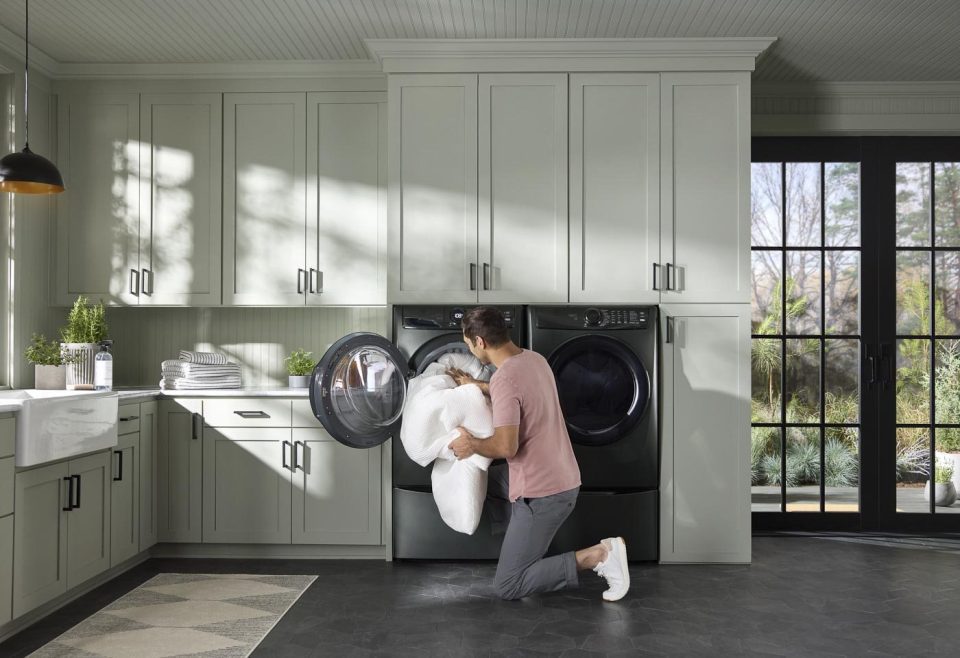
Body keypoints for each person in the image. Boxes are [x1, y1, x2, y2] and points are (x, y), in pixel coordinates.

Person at [446, 306, 630, 602]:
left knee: (508, 585)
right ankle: (524, 542)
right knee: (486, 481)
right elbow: (519, 393)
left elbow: (507, 447)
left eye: (468, 343)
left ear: (479, 342)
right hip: (563, 477)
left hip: (543, 494)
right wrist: (477, 386)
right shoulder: (534, 360)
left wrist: (472, 446)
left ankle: (599, 555)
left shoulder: (505, 379)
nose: (469, 348)